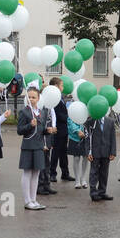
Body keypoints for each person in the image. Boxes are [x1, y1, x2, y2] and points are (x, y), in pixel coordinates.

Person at [17, 81, 51, 211]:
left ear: (38, 98)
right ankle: (27, 201)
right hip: (28, 146)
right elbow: (20, 130)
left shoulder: (41, 113)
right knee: (27, 172)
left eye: (33, 97)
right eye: (29, 97)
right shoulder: (24, 112)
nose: (31, 99)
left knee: (36, 173)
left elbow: (41, 130)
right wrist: (30, 125)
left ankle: (33, 199)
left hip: (38, 146)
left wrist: (48, 130)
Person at [86, 109, 118, 201]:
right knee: (94, 172)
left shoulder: (110, 121)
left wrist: (113, 152)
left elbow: (113, 138)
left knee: (104, 172)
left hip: (106, 151)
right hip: (94, 151)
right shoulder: (90, 122)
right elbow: (88, 138)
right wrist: (88, 151)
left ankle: (102, 191)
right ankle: (93, 192)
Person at [48, 77, 73, 183]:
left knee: (63, 152)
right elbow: (57, 114)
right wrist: (68, 116)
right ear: (56, 86)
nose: (63, 87)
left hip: (64, 129)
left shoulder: (61, 97)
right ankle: (52, 173)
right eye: (61, 85)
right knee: (56, 152)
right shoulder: (54, 99)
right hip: (58, 129)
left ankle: (65, 173)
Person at [66, 106, 89, 188]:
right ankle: (77, 180)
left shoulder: (89, 105)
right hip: (75, 137)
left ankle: (83, 179)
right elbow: (70, 120)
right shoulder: (73, 106)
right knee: (76, 158)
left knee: (86, 157)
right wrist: (77, 130)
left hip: (86, 136)